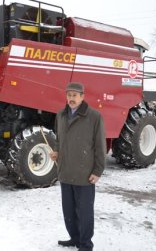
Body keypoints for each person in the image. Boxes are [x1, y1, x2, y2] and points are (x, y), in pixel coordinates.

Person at [50, 82, 106, 251]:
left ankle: (86, 245)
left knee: (84, 213)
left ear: (82, 96)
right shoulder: (60, 115)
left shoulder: (94, 116)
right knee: (68, 211)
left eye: (75, 95)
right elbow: (59, 140)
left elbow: (100, 146)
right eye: (69, 95)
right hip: (65, 171)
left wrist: (98, 170)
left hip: (84, 174)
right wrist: (56, 152)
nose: (71, 98)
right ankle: (74, 238)